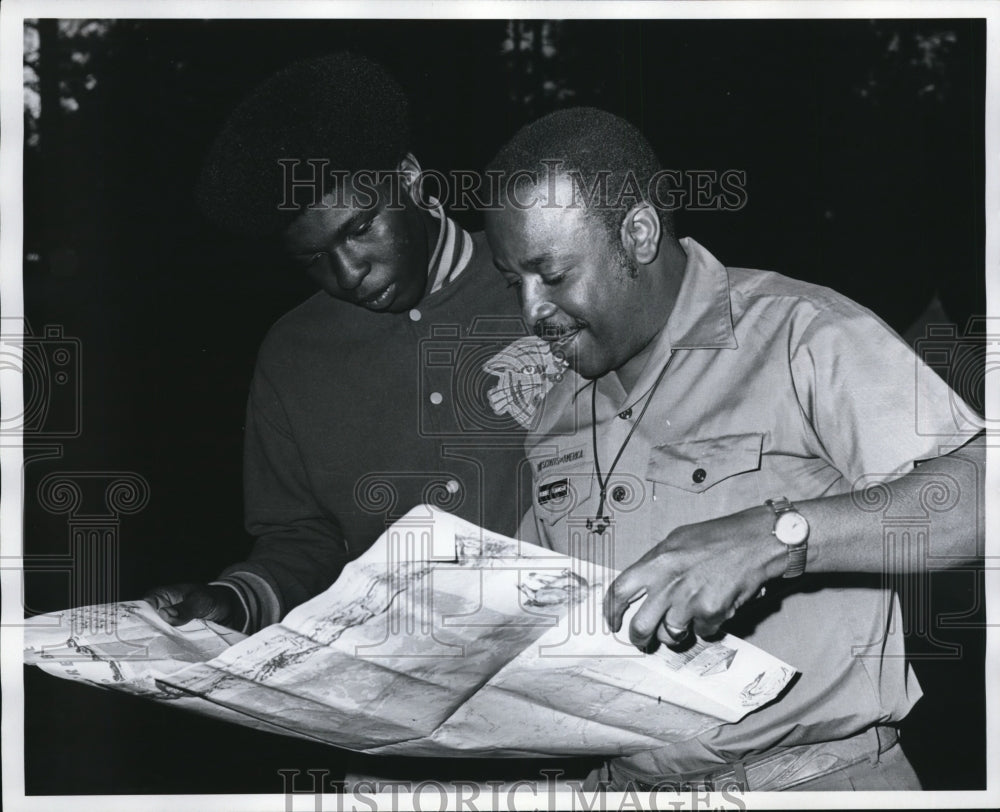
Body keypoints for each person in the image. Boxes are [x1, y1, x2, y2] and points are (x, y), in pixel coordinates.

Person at [482, 107, 986, 792]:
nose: (531, 312)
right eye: (516, 283)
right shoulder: (556, 411)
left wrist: (778, 538)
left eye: (554, 275)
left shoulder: (801, 334)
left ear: (637, 233)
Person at [143, 52, 530, 635]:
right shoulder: (293, 354)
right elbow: (303, 537)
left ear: (408, 176)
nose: (348, 272)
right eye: (314, 258)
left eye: (360, 228)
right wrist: (232, 602)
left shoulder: (541, 288)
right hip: (396, 671)